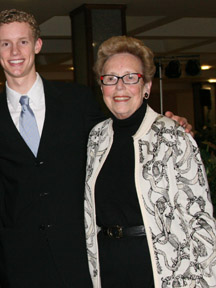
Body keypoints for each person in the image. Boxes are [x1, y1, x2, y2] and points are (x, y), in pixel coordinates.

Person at [0, 9, 193, 287]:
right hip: (19, 258)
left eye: (23, 41)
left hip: (78, 254)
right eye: (6, 43)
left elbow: (119, 131)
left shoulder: (77, 100)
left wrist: (164, 124)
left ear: (37, 45)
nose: (15, 51)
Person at [84, 35, 216, 288]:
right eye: (111, 79)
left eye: (131, 77)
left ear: (146, 87)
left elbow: (200, 220)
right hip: (108, 266)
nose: (120, 87)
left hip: (162, 270)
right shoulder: (96, 138)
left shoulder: (173, 136)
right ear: (102, 88)